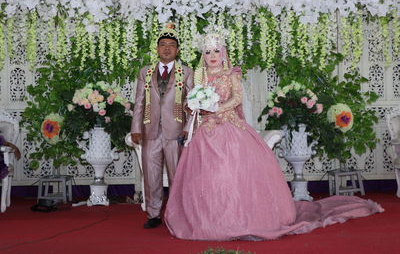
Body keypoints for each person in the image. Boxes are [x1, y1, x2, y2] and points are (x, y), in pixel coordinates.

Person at [164, 32, 383, 241]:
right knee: (206, 177)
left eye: (216, 51)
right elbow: (190, 100)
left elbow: (237, 99)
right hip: (206, 133)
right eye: (208, 52)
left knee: (231, 174)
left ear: (223, 53)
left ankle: (238, 218)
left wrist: (217, 108)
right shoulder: (200, 75)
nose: (212, 56)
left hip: (229, 129)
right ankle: (207, 220)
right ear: (204, 55)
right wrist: (193, 105)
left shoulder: (231, 74)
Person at [131, 23, 194, 228]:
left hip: (176, 132)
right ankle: (153, 214)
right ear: (157, 49)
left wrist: (188, 127)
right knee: (151, 175)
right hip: (150, 130)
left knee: (177, 174)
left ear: (178, 50)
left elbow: (192, 103)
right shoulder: (145, 72)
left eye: (172, 45)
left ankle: (177, 215)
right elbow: (139, 102)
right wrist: (136, 129)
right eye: (163, 44)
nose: (167, 48)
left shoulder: (186, 72)